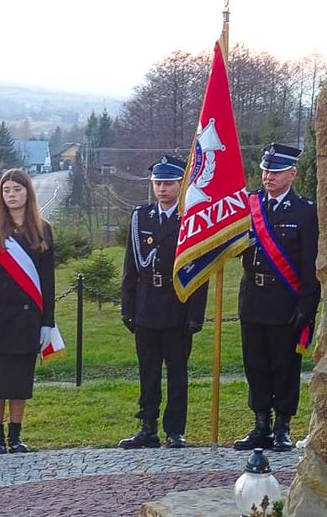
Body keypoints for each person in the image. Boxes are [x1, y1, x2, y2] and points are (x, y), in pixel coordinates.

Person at [233, 143, 320, 452]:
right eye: (265, 171)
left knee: (285, 365)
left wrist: (307, 306)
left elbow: (310, 265)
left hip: (285, 300)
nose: (268, 176)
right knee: (255, 364)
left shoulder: (305, 211)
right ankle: (261, 424)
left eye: (276, 172)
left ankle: (282, 425)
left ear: (292, 174)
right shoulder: (249, 205)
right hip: (253, 298)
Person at [118, 155, 208, 449]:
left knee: (177, 372)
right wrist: (128, 307)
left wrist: (195, 313)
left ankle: (175, 430)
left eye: (168, 183)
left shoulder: (190, 219)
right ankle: (147, 426)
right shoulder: (141, 217)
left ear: (181, 185)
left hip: (177, 303)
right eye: (158, 183)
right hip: (146, 304)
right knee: (149, 370)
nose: (162, 189)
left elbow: (199, 270)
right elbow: (131, 267)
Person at [0, 168, 56, 454]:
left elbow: (48, 281)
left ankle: (16, 435)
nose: (11, 195)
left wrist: (48, 322)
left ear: (28, 192)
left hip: (27, 319)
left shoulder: (42, 229)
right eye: (6, 190)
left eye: (17, 189)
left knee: (20, 381)